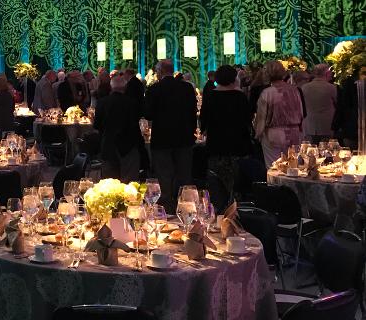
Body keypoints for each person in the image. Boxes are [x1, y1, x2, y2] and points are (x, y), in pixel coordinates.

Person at [144, 59, 197, 212]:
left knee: (164, 174)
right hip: (184, 137)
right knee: (184, 174)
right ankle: (185, 208)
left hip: (162, 138)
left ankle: (166, 209)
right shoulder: (186, 88)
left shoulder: (154, 89)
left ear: (160, 71)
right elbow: (193, 112)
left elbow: (148, 114)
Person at [200, 65, 252, 196]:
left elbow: (204, 118)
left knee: (217, 178)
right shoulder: (240, 97)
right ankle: (236, 203)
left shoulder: (211, 95)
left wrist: (204, 130)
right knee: (236, 177)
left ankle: (220, 204)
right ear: (233, 78)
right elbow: (247, 119)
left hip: (216, 142)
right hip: (237, 142)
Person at [254, 61, 303, 168]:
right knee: (293, 167)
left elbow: (261, 118)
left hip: (273, 133)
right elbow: (301, 113)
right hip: (294, 132)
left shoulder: (267, 93)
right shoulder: (295, 90)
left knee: (274, 168)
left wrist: (258, 134)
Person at [93, 75, 142, 182]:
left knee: (109, 183)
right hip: (128, 146)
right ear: (125, 88)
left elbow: (96, 125)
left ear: (111, 87)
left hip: (108, 145)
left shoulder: (102, 102)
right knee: (129, 182)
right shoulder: (132, 103)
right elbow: (135, 125)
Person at [301, 64, 337, 143]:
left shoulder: (304, 87)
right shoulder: (331, 87)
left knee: (310, 151)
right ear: (327, 73)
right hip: (327, 125)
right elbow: (338, 104)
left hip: (309, 125)